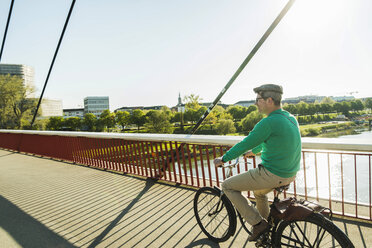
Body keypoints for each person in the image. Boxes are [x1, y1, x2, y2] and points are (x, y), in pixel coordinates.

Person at [214, 84, 301, 241]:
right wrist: (253, 152)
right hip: (291, 173)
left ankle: (258, 224)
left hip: (272, 174)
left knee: (227, 185)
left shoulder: (267, 122)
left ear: (269, 100)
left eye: (258, 99)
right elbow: (266, 141)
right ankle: (267, 231)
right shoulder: (290, 117)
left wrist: (223, 159)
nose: (255, 103)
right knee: (259, 193)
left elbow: (244, 143)